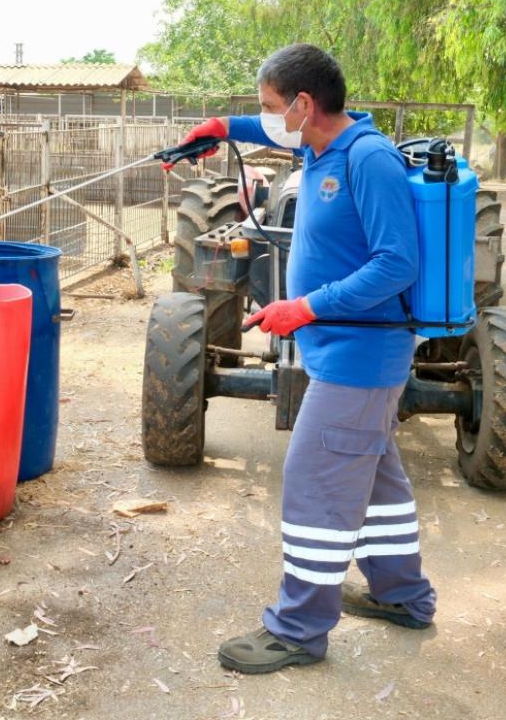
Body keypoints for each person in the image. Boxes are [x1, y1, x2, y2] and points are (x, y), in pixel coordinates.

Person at [169, 44, 436, 674]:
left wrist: (305, 307)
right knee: (377, 482)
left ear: (304, 104)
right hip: (345, 353)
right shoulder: (318, 145)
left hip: (359, 357)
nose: (265, 117)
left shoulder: (368, 160)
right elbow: (265, 128)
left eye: (269, 105)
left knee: (315, 485)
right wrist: (219, 130)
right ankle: (405, 597)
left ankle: (297, 629)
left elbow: (398, 263)